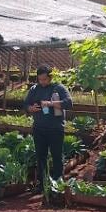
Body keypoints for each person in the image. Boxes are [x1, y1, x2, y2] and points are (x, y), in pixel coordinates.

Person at [24, 64, 73, 192]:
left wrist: (50, 103)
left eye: (45, 79)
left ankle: (57, 184)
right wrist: (31, 108)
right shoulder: (34, 89)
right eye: (40, 79)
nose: (42, 82)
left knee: (56, 156)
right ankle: (42, 184)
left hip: (55, 129)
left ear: (50, 77)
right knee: (41, 156)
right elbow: (26, 104)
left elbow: (69, 103)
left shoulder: (59, 88)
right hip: (39, 129)